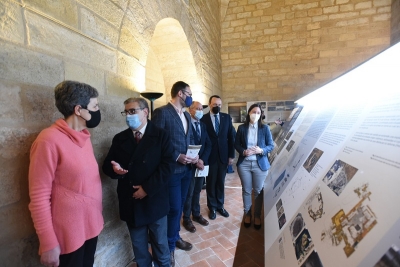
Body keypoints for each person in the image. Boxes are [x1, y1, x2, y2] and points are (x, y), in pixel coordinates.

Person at [28, 81, 103, 267]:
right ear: (79, 109)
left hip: (91, 225)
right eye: (95, 106)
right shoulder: (48, 140)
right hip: (69, 233)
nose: (98, 110)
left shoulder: (84, 137)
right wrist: (47, 242)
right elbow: (38, 196)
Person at [102, 97, 174, 267]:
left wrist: (147, 189)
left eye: (132, 111)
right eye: (126, 112)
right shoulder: (120, 138)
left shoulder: (161, 135)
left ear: (145, 112)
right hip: (131, 201)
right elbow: (107, 165)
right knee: (139, 249)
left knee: (160, 246)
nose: (128, 115)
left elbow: (168, 166)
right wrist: (115, 170)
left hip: (154, 199)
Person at [152, 81, 198, 267]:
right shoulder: (162, 112)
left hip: (187, 169)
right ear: (180, 93)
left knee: (179, 208)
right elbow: (156, 142)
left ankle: (175, 236)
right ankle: (169, 248)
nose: (190, 97)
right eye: (189, 93)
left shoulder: (186, 114)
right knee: (173, 209)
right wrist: (176, 156)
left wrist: (196, 157)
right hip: (171, 170)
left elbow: (189, 139)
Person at [234, 103, 274, 229]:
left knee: (258, 191)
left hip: (260, 164)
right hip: (244, 164)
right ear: (249, 113)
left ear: (261, 115)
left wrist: (261, 150)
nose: (255, 115)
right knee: (246, 190)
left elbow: (271, 145)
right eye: (253, 112)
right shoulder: (241, 128)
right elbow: (237, 144)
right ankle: (247, 214)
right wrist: (243, 151)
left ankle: (257, 215)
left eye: (258, 113)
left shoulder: (265, 128)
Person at [201, 95, 235, 220]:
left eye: (219, 105)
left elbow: (231, 137)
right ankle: (212, 207)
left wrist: (231, 155)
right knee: (211, 183)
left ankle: (220, 205)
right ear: (210, 104)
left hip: (223, 156)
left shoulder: (226, 118)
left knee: (221, 182)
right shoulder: (203, 119)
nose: (217, 107)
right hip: (210, 156)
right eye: (215, 104)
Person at [182, 101, 212, 233]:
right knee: (188, 193)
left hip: (201, 165)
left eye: (201, 109)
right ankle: (187, 218)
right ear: (190, 110)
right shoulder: (185, 124)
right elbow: (185, 144)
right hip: (189, 164)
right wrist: (195, 161)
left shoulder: (203, 125)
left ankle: (196, 214)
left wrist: (202, 160)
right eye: (197, 108)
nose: (200, 111)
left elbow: (208, 144)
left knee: (197, 191)